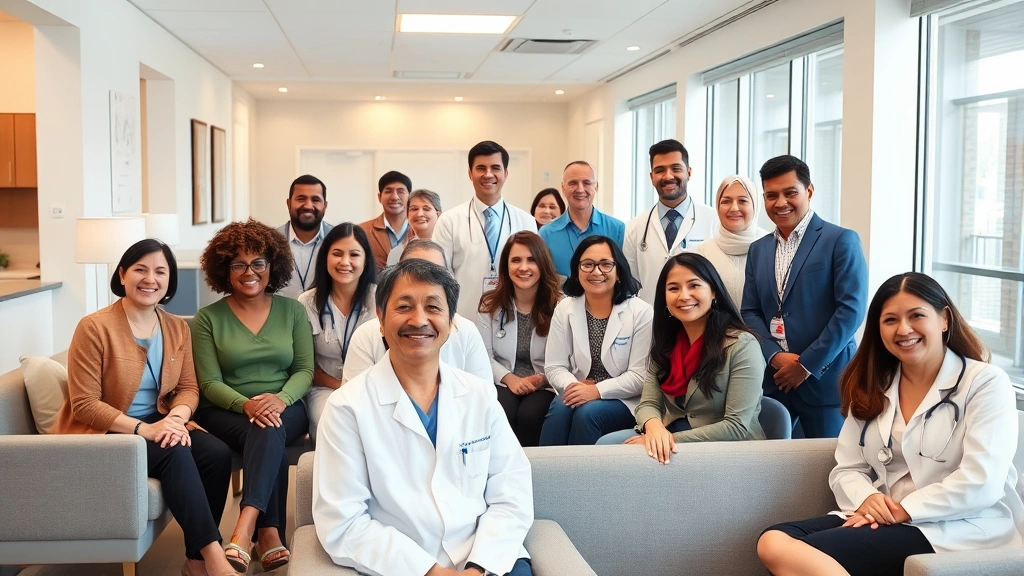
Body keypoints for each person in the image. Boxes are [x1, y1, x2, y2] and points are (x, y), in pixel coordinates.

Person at [757, 272, 1024, 576]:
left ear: (944, 319)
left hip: (958, 524)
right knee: (773, 540)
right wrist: (868, 497)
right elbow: (848, 468)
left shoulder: (985, 382)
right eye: (890, 320)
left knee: (799, 555)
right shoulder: (875, 384)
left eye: (916, 315)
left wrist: (905, 509)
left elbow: (982, 481)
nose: (904, 329)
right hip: (885, 513)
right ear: (878, 329)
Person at [313, 259, 534, 576]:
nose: (419, 320)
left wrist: (477, 567)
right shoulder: (347, 408)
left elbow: (511, 495)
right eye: (403, 307)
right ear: (380, 317)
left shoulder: (480, 396)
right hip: (403, 565)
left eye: (433, 307)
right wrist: (431, 571)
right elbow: (343, 522)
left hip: (489, 558)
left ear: (451, 320)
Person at [51, 240, 238, 576]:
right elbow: (84, 404)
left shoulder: (178, 327)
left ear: (169, 281)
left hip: (160, 422)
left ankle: (195, 561)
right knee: (175, 451)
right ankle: (213, 554)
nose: (150, 278)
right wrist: (145, 429)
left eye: (160, 271)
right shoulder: (94, 327)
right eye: (140, 269)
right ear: (122, 274)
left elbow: (188, 388)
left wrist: (177, 419)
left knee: (216, 453)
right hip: (104, 431)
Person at [191, 219, 314, 573]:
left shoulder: (292, 311)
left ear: (272, 266)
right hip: (226, 410)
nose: (250, 272)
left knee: (268, 425)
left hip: (286, 406)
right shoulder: (207, 319)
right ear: (223, 269)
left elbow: (304, 370)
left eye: (258, 262)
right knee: (265, 427)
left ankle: (244, 528)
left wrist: (280, 399)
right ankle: (269, 531)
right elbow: (208, 382)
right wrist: (246, 404)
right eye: (238, 264)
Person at [741, 155, 868, 439]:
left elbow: (851, 311)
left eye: (790, 193)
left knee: (828, 470)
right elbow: (749, 311)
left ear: (809, 191)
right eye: (771, 195)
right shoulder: (758, 249)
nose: (781, 202)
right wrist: (774, 357)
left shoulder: (840, 240)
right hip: (774, 381)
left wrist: (805, 365)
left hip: (825, 382)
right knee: (771, 468)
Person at [596, 253, 766, 456]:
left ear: (713, 292)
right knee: (605, 446)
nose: (684, 296)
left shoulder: (742, 345)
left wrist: (667, 439)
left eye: (694, 285)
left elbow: (736, 426)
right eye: (673, 288)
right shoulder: (667, 343)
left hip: (727, 449)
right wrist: (654, 428)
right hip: (673, 433)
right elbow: (648, 403)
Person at [539, 235, 653, 446]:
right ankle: (545, 476)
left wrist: (596, 391)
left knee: (587, 413)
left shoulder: (641, 312)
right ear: (577, 270)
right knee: (560, 407)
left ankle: (584, 479)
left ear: (618, 271)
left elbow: (640, 377)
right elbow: (554, 367)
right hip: (579, 388)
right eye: (588, 264)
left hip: (625, 399)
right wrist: (575, 387)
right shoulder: (565, 308)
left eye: (606, 264)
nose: (596, 272)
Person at [343, 239, 492, 384]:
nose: (419, 321)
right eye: (412, 271)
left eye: (435, 274)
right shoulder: (365, 336)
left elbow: (483, 398)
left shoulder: (467, 332)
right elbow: (355, 399)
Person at [433, 140, 537, 319]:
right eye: (481, 168)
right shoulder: (449, 221)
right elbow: (438, 276)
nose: (488, 174)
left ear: (505, 173)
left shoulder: (526, 221)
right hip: (464, 319)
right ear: (470, 173)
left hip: (514, 317)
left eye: (495, 168)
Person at [477, 231, 562, 447]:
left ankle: (532, 473)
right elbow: (482, 355)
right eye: (516, 260)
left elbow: (569, 359)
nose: (523, 267)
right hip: (504, 382)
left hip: (545, 384)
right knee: (501, 409)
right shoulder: (489, 304)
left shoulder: (562, 306)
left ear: (542, 264)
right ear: (506, 266)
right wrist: (509, 378)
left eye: (531, 260)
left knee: (529, 415)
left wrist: (542, 379)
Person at [297, 223, 377, 444]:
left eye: (354, 254)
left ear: (365, 260)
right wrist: (340, 385)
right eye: (337, 254)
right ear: (325, 258)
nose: (345, 262)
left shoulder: (380, 299)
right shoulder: (307, 303)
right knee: (332, 423)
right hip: (325, 388)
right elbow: (306, 365)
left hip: (372, 389)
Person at [624, 139, 718, 304]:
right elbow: (630, 283)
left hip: (700, 319)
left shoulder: (714, 221)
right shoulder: (635, 227)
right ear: (651, 177)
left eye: (676, 168)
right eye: (660, 170)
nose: (668, 176)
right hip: (651, 322)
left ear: (688, 172)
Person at [539, 161, 625, 278]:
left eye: (586, 183)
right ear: (563, 188)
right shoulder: (546, 234)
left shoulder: (617, 229)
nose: (580, 189)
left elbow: (623, 275)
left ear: (596, 187)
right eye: (573, 183)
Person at [696, 175, 769, 307]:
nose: (734, 208)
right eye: (726, 201)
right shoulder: (703, 253)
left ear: (755, 206)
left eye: (742, 201)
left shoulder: (772, 246)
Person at [277, 174, 333, 298]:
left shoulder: (338, 239)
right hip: (282, 316)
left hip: (325, 315)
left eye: (315, 200)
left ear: (325, 205)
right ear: (289, 203)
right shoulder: (271, 241)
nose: (308, 206)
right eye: (301, 199)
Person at [359, 170, 411, 269]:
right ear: (379, 197)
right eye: (388, 191)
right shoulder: (362, 231)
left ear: (409, 196)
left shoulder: (420, 230)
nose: (395, 197)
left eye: (400, 191)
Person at [386, 188, 443, 266]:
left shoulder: (449, 248)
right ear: (407, 215)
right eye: (414, 209)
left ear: (439, 214)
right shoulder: (397, 253)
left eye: (426, 209)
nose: (419, 214)